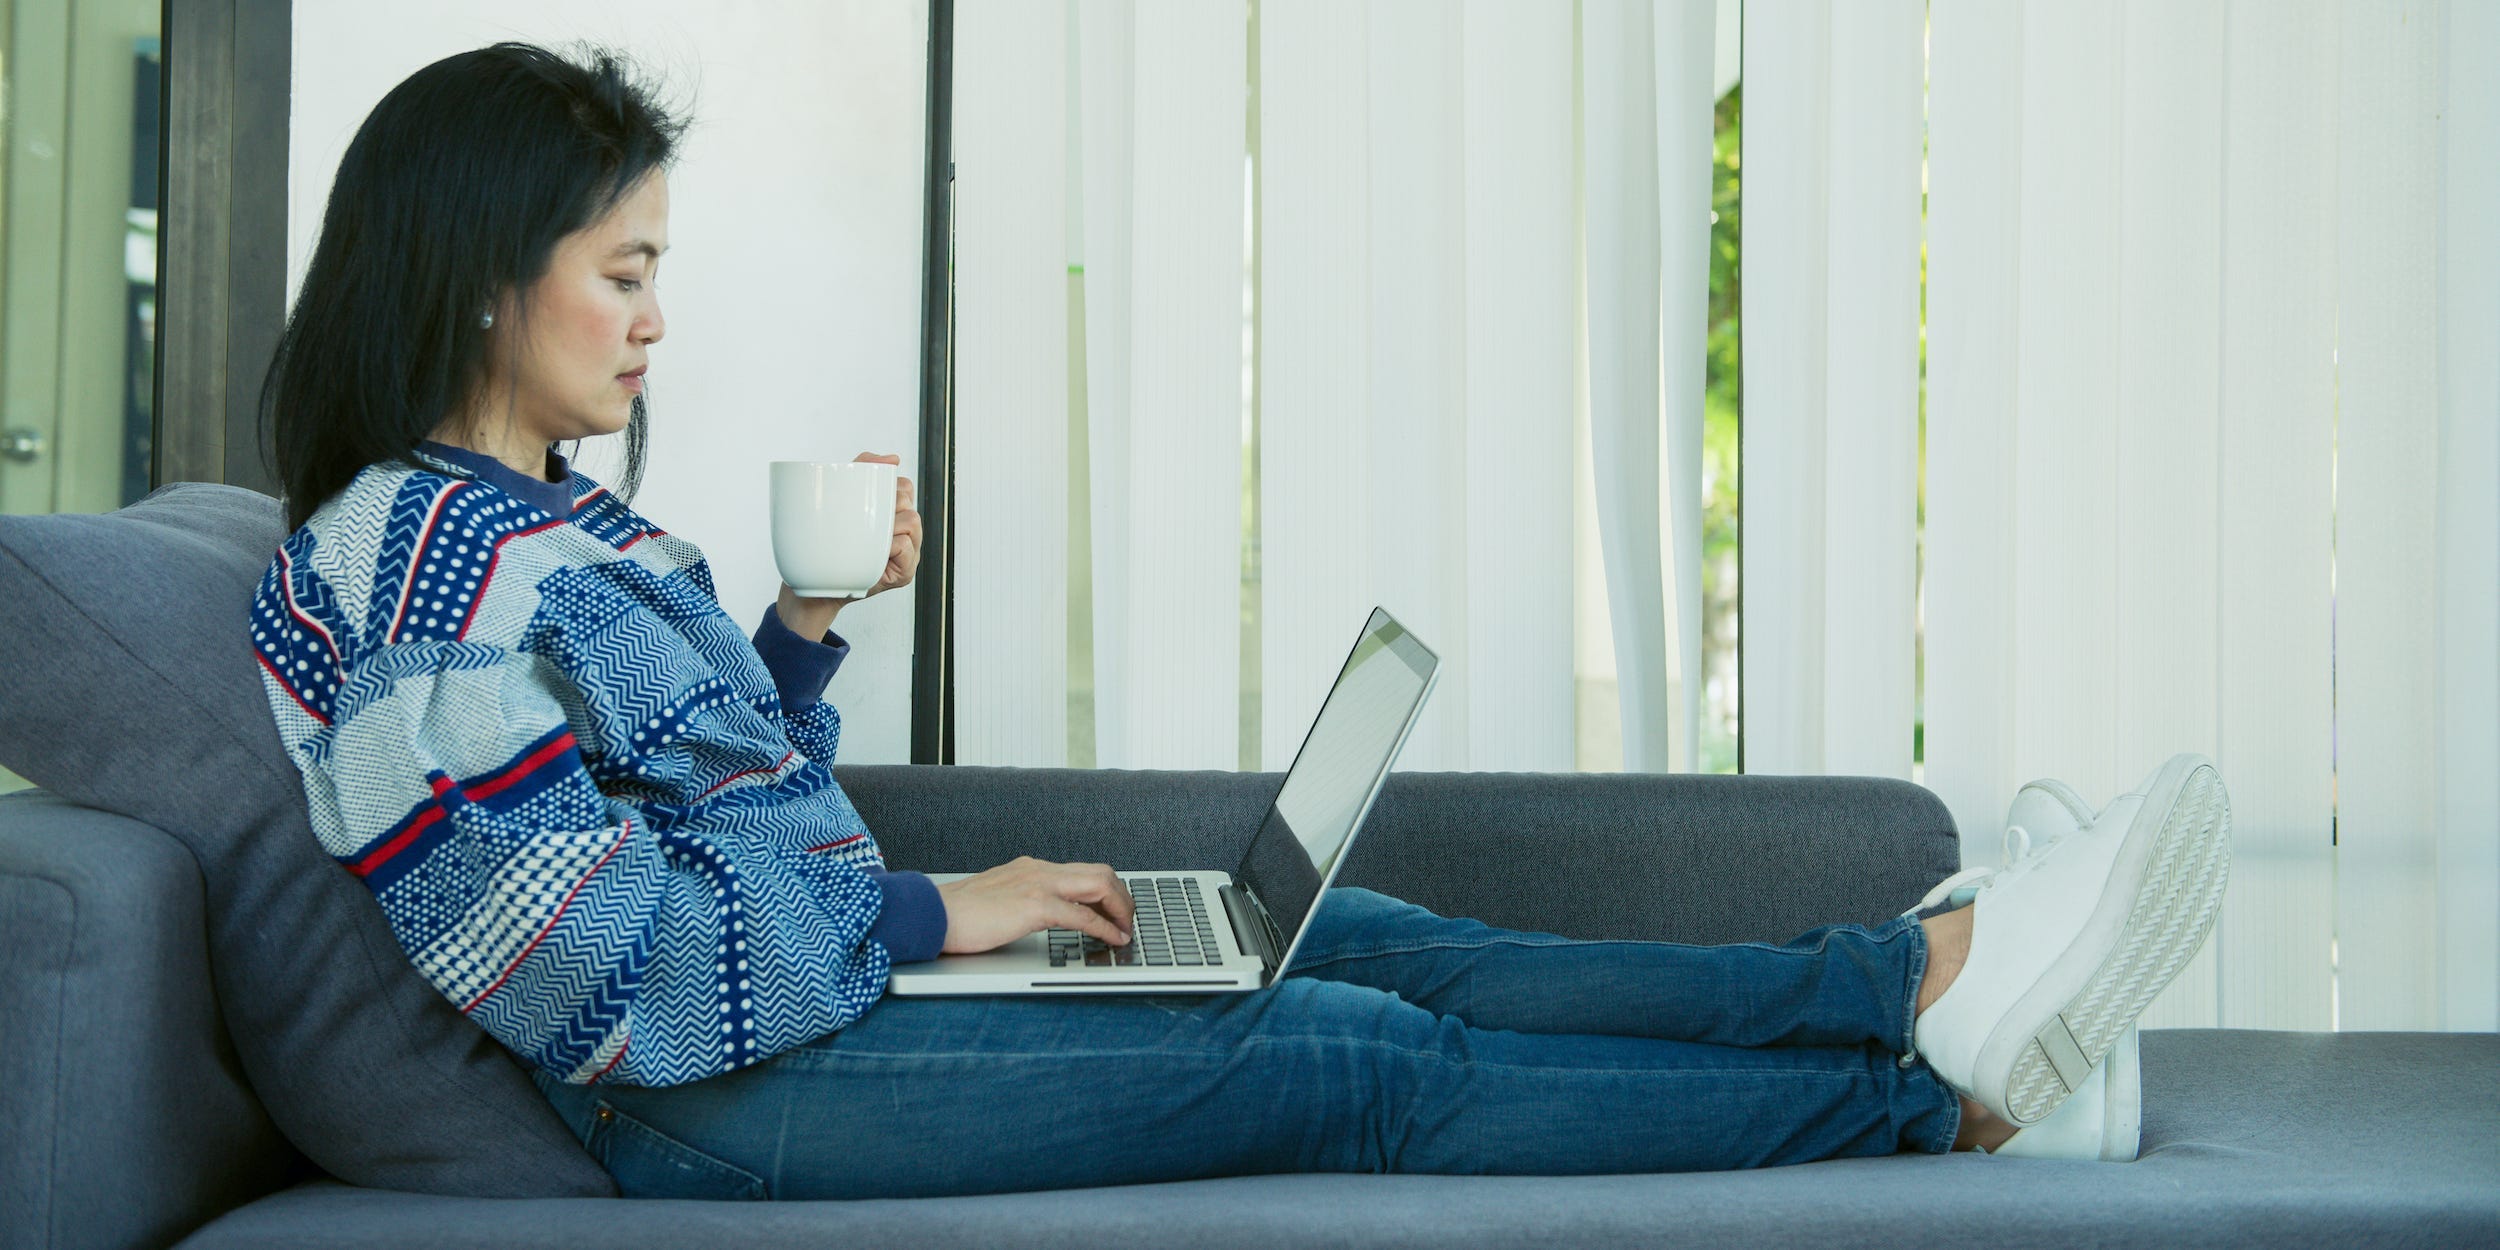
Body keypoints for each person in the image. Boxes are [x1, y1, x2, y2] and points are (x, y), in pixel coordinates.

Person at [252, 43, 2232, 1200]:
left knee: (1353, 929)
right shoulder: (408, 581)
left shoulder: (522, 524)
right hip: (715, 1095)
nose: (656, 315)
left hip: (806, 1007)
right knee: (1343, 1048)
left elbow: (689, 804)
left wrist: (800, 627)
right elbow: (605, 966)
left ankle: (1908, 959)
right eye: (625, 268)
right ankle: (1950, 1098)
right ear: (487, 277)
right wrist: (950, 910)